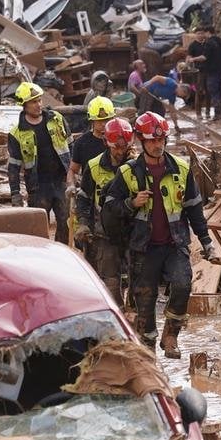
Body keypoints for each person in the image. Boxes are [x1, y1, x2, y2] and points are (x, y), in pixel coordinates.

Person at [102, 111, 216, 358]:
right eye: (152, 141)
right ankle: (150, 351)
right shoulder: (128, 173)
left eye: (161, 139)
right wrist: (131, 204)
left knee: (183, 284)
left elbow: (194, 209)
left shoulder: (181, 169)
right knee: (145, 299)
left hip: (174, 243)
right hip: (143, 247)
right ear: (142, 142)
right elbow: (109, 208)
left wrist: (206, 241)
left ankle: (171, 335)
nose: (157, 145)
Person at [75, 117, 135, 304]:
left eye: (123, 148)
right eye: (115, 148)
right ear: (106, 144)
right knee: (110, 279)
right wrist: (83, 224)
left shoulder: (139, 165)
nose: (119, 152)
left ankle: (135, 315)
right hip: (104, 232)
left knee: (137, 278)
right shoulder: (93, 166)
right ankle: (117, 315)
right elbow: (84, 197)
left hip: (134, 230)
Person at [8, 81, 73, 243]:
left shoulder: (57, 120)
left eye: (39, 100)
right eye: (33, 102)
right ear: (24, 105)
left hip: (61, 181)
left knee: (66, 223)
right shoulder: (17, 134)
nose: (38, 105)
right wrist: (15, 194)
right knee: (37, 228)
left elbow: (72, 147)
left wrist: (75, 175)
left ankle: (61, 255)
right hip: (38, 187)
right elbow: (13, 167)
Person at [67, 96, 115, 196]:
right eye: (99, 120)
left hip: (115, 193)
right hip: (90, 194)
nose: (103, 124)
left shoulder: (119, 141)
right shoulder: (82, 143)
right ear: (91, 120)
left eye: (106, 120)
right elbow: (73, 170)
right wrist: (71, 185)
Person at [204, 26, 221, 122]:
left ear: (208, 32)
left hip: (212, 72)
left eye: (204, 33)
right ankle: (220, 114)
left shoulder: (208, 43)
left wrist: (193, 59)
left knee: (214, 93)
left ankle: (217, 115)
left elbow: (205, 57)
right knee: (220, 93)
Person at [186, 28, 211, 119]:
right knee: (199, 92)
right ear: (195, 35)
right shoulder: (192, 45)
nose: (200, 35)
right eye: (198, 33)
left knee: (209, 91)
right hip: (198, 72)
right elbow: (188, 58)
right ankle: (198, 113)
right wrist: (189, 62)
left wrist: (194, 59)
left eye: (202, 33)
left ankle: (208, 112)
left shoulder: (207, 44)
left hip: (208, 70)